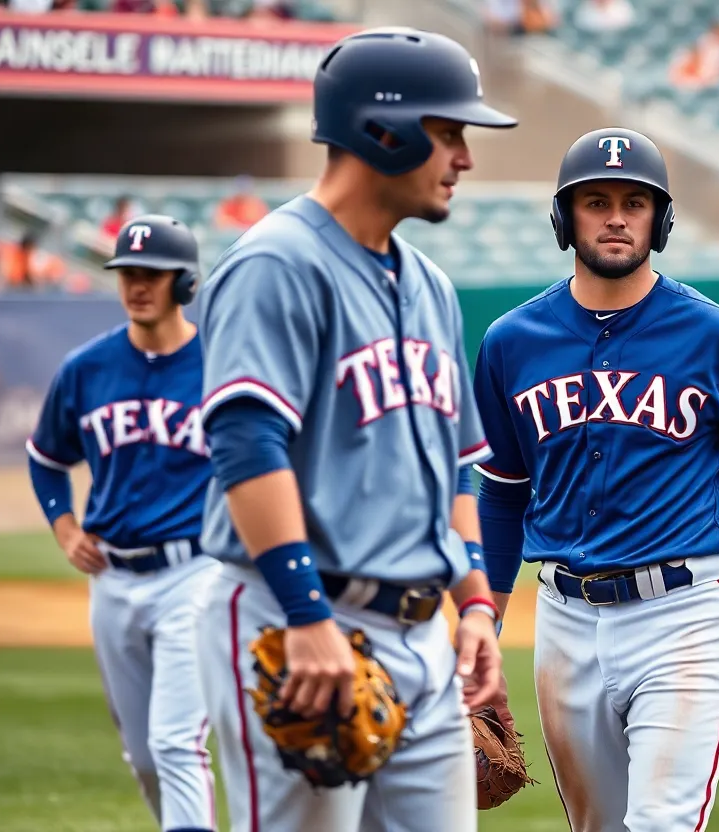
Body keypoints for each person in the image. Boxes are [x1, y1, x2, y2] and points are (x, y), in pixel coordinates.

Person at [192, 28, 517, 832]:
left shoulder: (432, 286)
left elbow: (458, 471)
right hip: (295, 617)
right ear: (384, 130)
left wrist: (475, 603)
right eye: (450, 133)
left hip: (421, 633)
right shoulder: (277, 263)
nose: (464, 159)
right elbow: (246, 443)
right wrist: (306, 616)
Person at [473, 127, 719, 831]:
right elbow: (502, 494)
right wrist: (487, 623)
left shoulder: (718, 336)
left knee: (660, 824)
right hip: (563, 619)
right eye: (596, 201)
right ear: (566, 218)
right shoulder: (510, 341)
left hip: (680, 614)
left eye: (636, 201)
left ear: (662, 219)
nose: (618, 216)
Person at [26, 214, 219, 832]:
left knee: (174, 744)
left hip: (196, 575)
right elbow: (46, 459)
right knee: (143, 756)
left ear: (184, 283)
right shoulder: (87, 368)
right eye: (128, 272)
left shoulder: (221, 363)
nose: (137, 284)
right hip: (112, 578)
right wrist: (64, 526)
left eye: (153, 273)